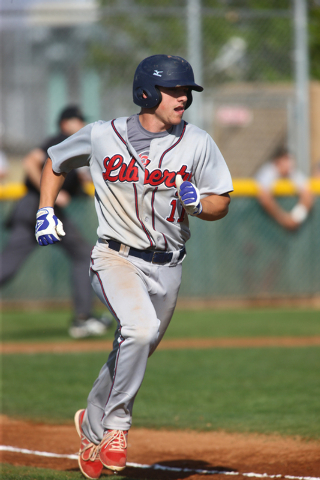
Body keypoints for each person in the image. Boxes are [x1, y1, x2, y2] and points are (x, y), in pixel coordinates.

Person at [35, 55, 233, 479]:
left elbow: (221, 202)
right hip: (114, 256)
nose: (184, 98)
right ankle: (116, 427)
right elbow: (55, 162)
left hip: (170, 265)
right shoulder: (102, 136)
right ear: (147, 92)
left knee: (135, 346)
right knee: (139, 330)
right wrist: (45, 209)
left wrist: (199, 203)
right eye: (175, 90)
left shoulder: (197, 142)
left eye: (187, 92)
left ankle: (90, 425)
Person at [0, 105, 113, 339]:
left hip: (35, 209)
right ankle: (83, 319)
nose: (80, 123)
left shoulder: (74, 148)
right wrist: (48, 193)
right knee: (83, 255)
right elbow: (31, 162)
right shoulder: (61, 139)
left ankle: (83, 317)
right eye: (76, 120)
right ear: (64, 123)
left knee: (9, 265)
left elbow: (77, 180)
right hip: (39, 207)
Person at [255, 146, 314, 230]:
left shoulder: (292, 172)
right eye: (286, 160)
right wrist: (283, 219)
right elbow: (264, 198)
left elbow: (308, 195)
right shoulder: (268, 172)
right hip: (261, 225)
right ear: (277, 161)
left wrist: (296, 217)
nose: (289, 164)